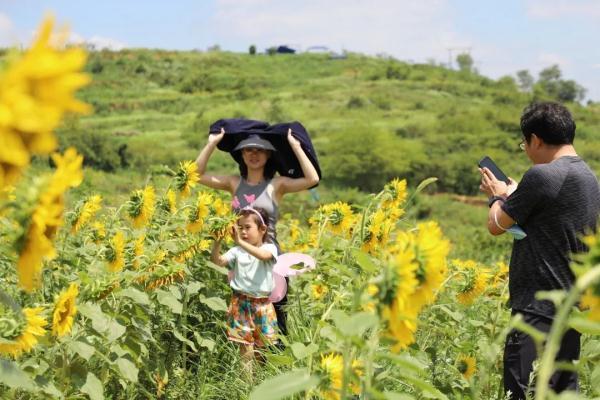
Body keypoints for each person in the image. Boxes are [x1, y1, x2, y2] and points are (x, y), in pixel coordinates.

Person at [479, 102, 600, 399]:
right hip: (568, 311)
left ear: (535, 139)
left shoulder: (542, 175)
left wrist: (496, 197)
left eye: (525, 144)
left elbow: (496, 225)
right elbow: (553, 214)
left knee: (520, 393)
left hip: (536, 312)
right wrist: (517, 194)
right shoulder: (589, 178)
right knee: (559, 393)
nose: (527, 150)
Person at [196, 128, 320, 335]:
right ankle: (249, 366)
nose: (254, 155)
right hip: (242, 257)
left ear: (269, 154)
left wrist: (295, 146)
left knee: (276, 318)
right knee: (244, 320)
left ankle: (275, 364)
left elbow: (312, 179)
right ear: (241, 155)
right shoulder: (233, 183)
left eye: (260, 150)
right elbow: (196, 174)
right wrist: (212, 143)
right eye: (248, 150)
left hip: (269, 257)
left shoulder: (276, 185)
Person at [211, 207, 278, 376]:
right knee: (244, 345)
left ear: (262, 230)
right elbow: (218, 262)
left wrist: (240, 242)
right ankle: (246, 383)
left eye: (248, 227)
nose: (243, 231)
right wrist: (217, 242)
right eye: (240, 227)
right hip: (240, 302)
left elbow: (263, 256)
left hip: (262, 304)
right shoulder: (236, 251)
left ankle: (258, 379)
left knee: (261, 347)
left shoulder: (270, 248)